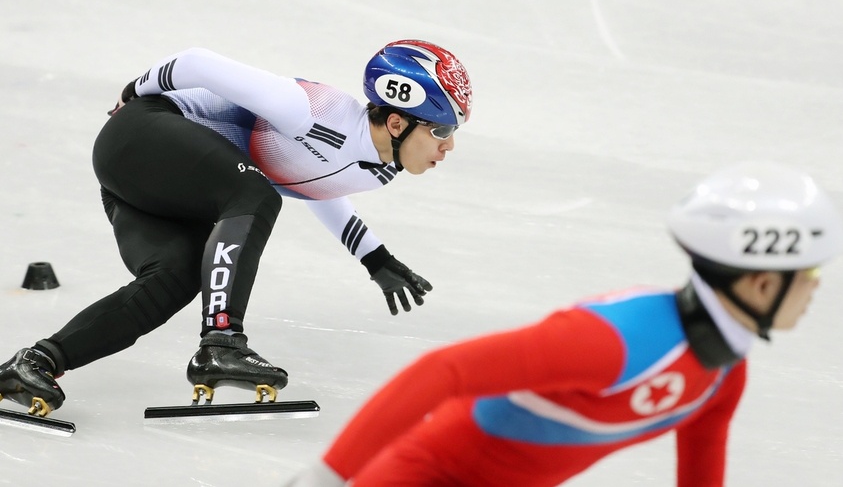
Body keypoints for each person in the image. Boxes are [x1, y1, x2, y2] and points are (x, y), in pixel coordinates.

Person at [283, 161, 843, 487]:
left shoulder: (724, 373)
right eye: (809, 273)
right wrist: (328, 476)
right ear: (762, 283)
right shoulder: (615, 341)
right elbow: (444, 369)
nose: (817, 289)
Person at [0, 40, 473, 417]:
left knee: (177, 276)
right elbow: (197, 63)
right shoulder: (313, 110)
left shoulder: (377, 165)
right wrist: (134, 89)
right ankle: (222, 341)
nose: (448, 147)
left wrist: (376, 258)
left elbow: (315, 188)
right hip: (142, 134)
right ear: (395, 120)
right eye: (440, 131)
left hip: (152, 181)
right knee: (256, 194)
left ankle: (37, 362)